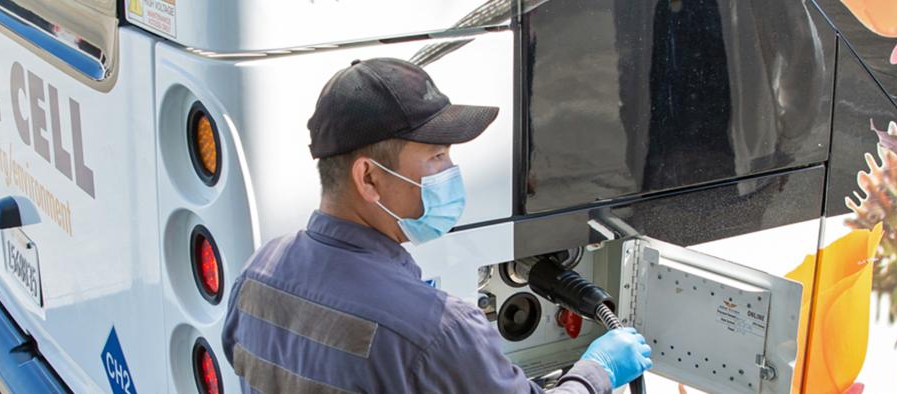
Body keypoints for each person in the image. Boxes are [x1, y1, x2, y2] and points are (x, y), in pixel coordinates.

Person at [221, 58, 652, 393]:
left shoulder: (258, 272)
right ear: (368, 178)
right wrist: (597, 371)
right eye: (437, 157)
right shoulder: (437, 330)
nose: (451, 172)